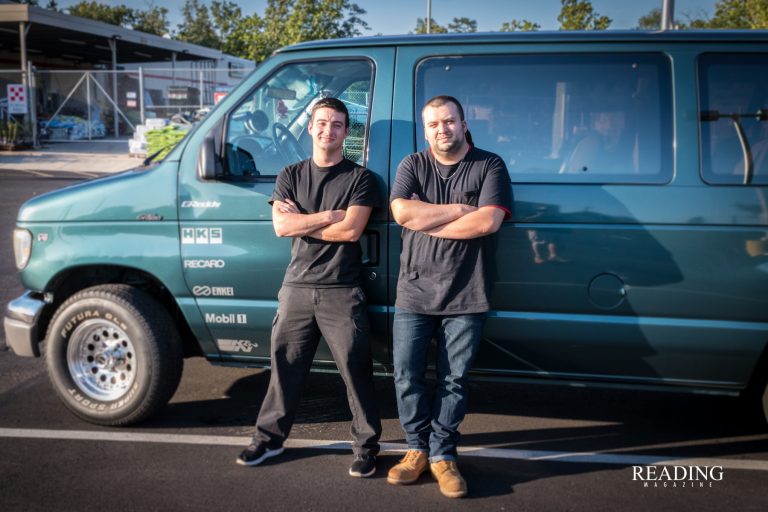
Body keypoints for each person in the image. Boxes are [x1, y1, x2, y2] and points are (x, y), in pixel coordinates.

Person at [237, 97, 382, 478]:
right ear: (310, 127)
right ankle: (268, 439)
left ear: (346, 131)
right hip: (296, 287)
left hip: (341, 289)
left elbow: (351, 231)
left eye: (337, 124)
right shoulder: (290, 174)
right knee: (284, 367)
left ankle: (366, 446)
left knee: (355, 369)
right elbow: (282, 227)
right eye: (321, 123)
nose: (328, 130)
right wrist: (329, 215)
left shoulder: (361, 179)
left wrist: (305, 219)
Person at [388, 95, 512, 498]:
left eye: (449, 121)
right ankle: (415, 450)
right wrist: (460, 208)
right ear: (425, 130)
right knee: (406, 375)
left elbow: (487, 222)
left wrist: (431, 219)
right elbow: (403, 214)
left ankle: (443, 455)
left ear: (463, 122)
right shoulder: (413, 165)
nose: (442, 129)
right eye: (434, 124)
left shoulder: (490, 164)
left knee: (454, 380)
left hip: (467, 292)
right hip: (414, 290)